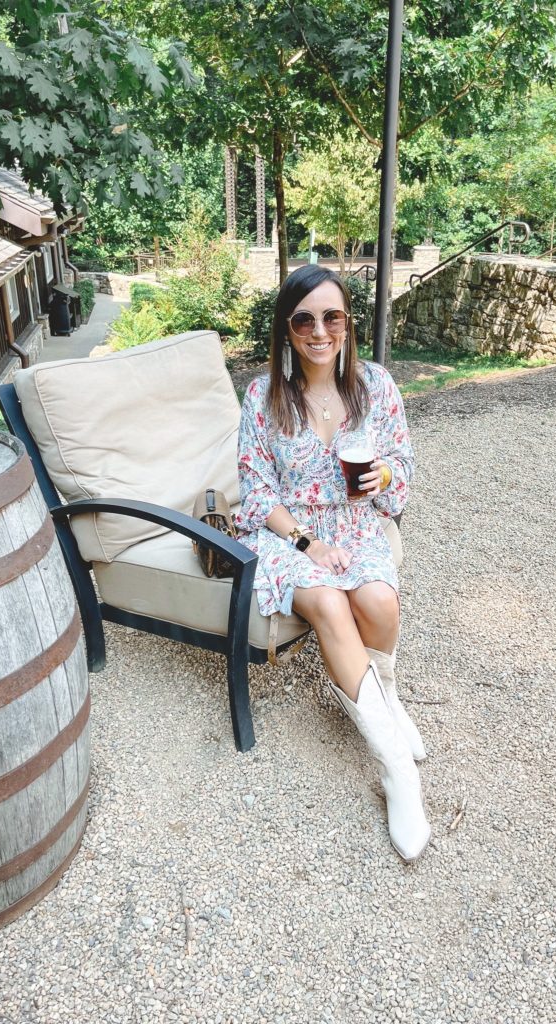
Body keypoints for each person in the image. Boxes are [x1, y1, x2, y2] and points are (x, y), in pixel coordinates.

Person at [235, 265, 430, 861]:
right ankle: (399, 772)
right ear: (286, 329)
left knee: (377, 599)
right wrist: (304, 544)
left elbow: (402, 467)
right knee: (326, 601)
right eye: (304, 319)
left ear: (347, 323)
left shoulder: (377, 386)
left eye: (332, 316)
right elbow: (255, 487)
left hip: (355, 521)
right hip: (289, 535)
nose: (319, 330)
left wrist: (386, 476)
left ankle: (387, 695)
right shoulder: (264, 396)